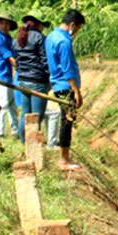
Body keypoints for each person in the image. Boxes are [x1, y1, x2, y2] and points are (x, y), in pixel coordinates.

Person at [45, 9, 85, 171]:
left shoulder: (51, 37)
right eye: (77, 29)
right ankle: (64, 160)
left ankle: (65, 157)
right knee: (67, 120)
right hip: (65, 85)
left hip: (56, 83)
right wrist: (76, 91)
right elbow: (67, 70)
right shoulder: (64, 41)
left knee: (65, 119)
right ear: (73, 25)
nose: (76, 33)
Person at [13, 14, 50, 143]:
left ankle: (24, 143)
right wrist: (49, 77)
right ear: (38, 24)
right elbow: (45, 60)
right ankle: (33, 146)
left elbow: (17, 61)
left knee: (25, 114)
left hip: (23, 81)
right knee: (36, 117)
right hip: (37, 81)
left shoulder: (17, 39)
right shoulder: (40, 38)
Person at [0, 14, 18, 138]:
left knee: (12, 105)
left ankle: (15, 131)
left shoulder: (8, 38)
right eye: (2, 23)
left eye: (7, 24)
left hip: (8, 76)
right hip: (0, 76)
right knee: (2, 105)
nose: (4, 26)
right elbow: (11, 58)